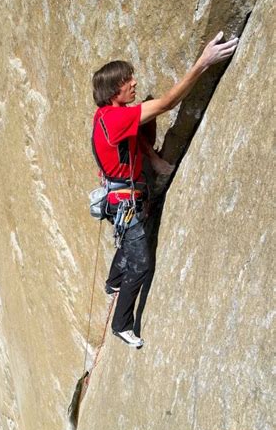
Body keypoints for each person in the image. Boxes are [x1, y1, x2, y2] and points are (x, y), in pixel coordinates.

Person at [91, 32, 239, 347]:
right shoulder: (117, 118)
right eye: (128, 80)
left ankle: (112, 282)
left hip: (122, 195)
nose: (134, 83)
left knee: (130, 240)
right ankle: (121, 325)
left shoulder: (105, 116)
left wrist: (154, 159)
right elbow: (169, 103)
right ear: (115, 89)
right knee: (141, 261)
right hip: (123, 199)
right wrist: (204, 62)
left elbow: (131, 139)